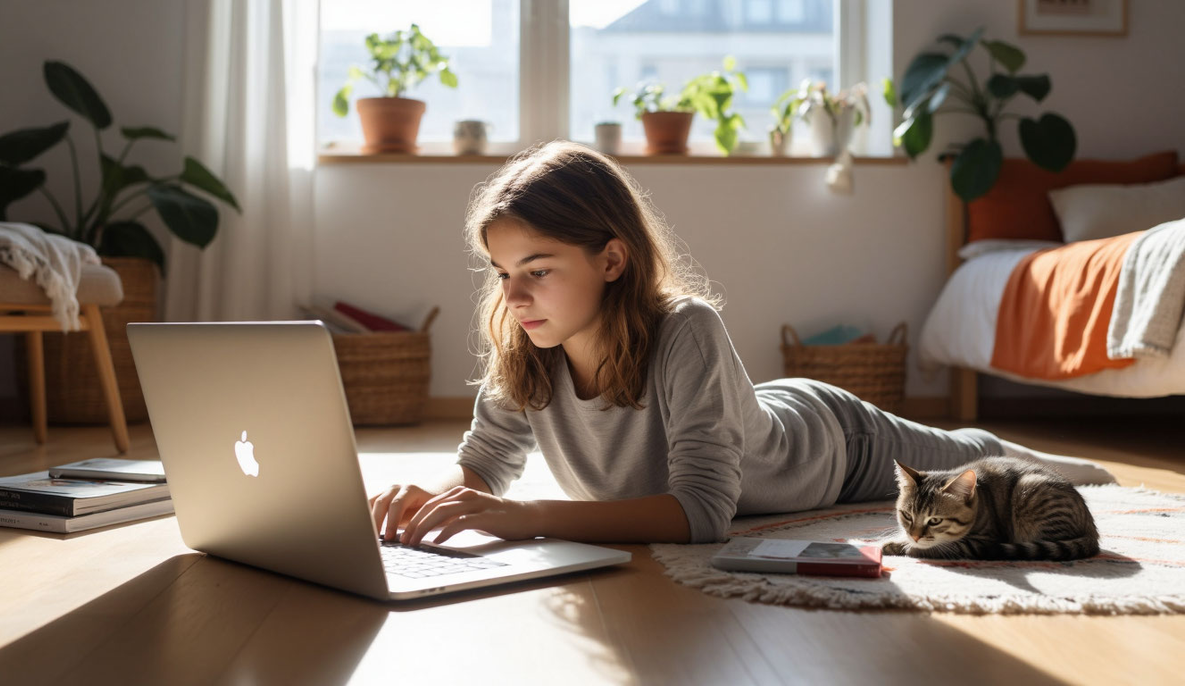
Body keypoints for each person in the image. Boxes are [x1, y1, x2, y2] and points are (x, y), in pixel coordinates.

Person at [369, 141, 1117, 548]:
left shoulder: (685, 328)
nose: (512, 296)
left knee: (982, 465)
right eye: (502, 272)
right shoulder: (523, 337)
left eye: (536, 271)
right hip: (744, 415)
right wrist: (429, 500)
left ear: (611, 259)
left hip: (832, 440)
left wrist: (530, 517)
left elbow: (702, 514)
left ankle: (1081, 468)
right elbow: (487, 463)